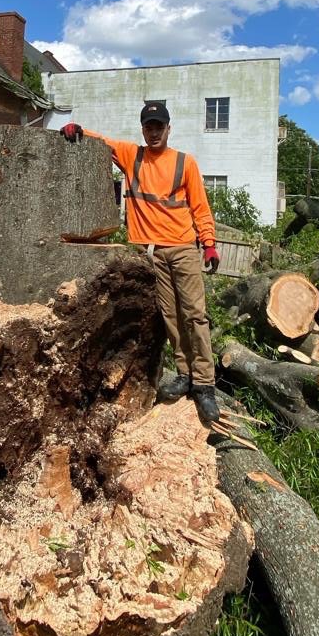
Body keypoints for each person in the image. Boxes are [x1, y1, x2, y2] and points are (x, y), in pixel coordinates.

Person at [61, 102, 221, 424]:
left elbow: (201, 208)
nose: (154, 132)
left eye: (159, 126)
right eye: (149, 127)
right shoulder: (132, 156)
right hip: (152, 252)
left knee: (195, 314)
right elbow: (102, 142)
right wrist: (77, 129)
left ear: (168, 128)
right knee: (171, 316)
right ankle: (184, 373)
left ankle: (205, 384)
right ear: (143, 129)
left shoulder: (184, 163)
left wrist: (209, 244)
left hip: (182, 249)